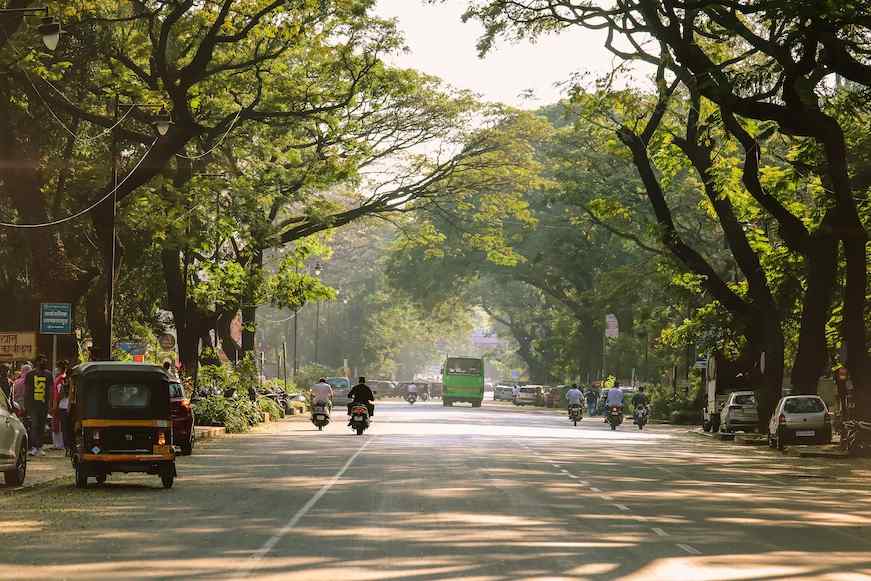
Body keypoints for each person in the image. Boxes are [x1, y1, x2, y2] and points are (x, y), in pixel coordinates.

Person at [25, 356, 53, 456]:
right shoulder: (30, 374)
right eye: (42, 361)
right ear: (37, 362)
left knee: (41, 427)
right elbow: (27, 390)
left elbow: (50, 390)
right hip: (33, 405)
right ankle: (33, 447)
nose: (44, 363)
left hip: (44, 405)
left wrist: (50, 404)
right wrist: (26, 405)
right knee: (34, 426)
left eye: (45, 361)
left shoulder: (49, 374)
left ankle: (40, 447)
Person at [50, 360, 69, 450]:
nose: (55, 369)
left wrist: (55, 404)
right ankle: (60, 444)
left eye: (57, 367)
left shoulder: (61, 378)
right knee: (60, 425)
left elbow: (60, 393)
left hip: (61, 404)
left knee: (60, 425)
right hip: (62, 404)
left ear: (60, 368)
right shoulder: (62, 377)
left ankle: (60, 444)